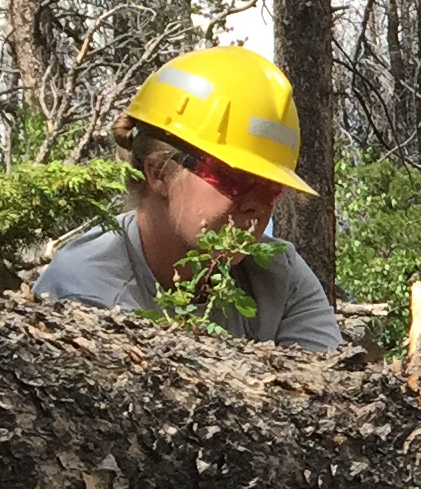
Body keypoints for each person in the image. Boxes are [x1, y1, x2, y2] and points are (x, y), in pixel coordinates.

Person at [35, 46, 340, 351]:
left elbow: (333, 389)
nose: (257, 203)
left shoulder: (280, 277)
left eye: (272, 186)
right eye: (234, 178)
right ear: (159, 172)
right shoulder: (84, 292)